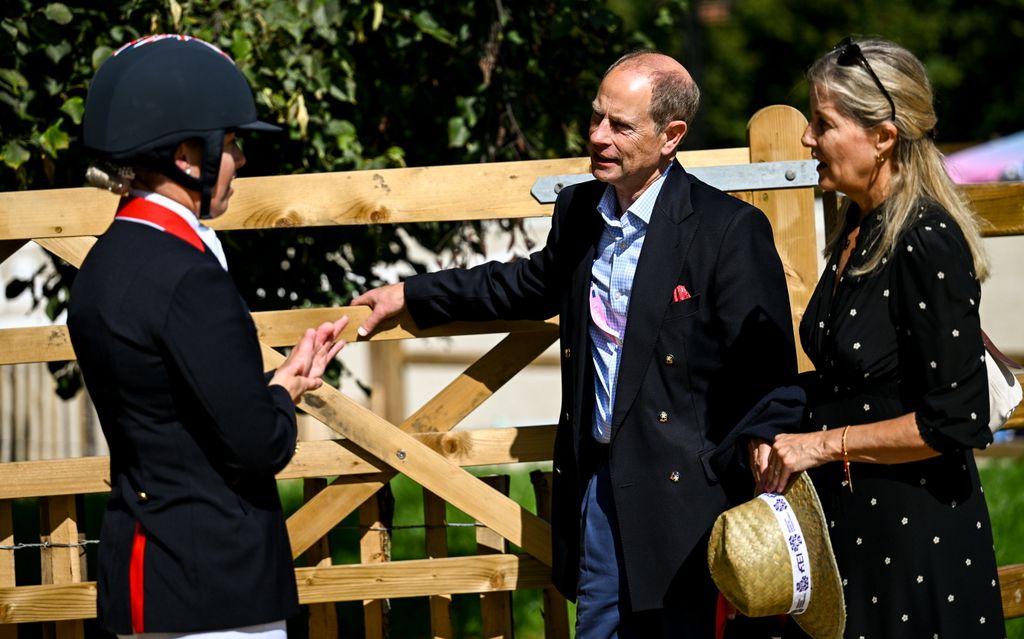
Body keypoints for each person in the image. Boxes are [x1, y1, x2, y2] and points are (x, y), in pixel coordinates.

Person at [353, 50, 796, 637]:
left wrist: (759, 472)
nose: (597, 137)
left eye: (620, 126)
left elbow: (766, 376)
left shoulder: (728, 230)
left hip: (691, 502)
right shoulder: (581, 209)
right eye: (595, 119)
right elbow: (526, 283)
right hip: (600, 487)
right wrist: (411, 295)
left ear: (673, 136)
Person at [68, 35, 348, 638]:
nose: (240, 159)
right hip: (215, 588)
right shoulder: (188, 275)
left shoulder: (104, 265)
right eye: (232, 142)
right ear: (189, 156)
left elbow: (176, 412)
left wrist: (272, 385)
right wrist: (283, 396)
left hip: (143, 577)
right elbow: (257, 447)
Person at [756, 37, 1005, 638]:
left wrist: (817, 446)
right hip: (859, 526)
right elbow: (861, 379)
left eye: (824, 123)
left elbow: (955, 421)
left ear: (883, 137)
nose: (807, 139)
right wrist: (772, 425)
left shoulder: (926, 237)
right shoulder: (858, 224)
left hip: (918, 541)